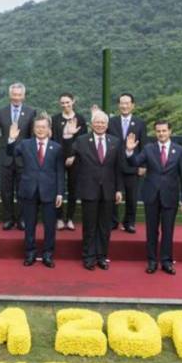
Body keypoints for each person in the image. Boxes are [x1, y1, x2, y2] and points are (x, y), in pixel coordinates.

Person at [125, 121, 182, 275]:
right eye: (158, 131)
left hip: (170, 196)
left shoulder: (180, 151)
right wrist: (129, 150)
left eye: (164, 130)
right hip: (151, 195)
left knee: (168, 230)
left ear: (170, 131)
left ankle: (166, 262)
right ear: (155, 133)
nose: (161, 134)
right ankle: (152, 261)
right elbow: (135, 162)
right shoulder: (149, 149)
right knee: (151, 230)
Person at [64, 110, 124, 271]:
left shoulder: (115, 142)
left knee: (105, 227)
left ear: (107, 124)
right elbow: (68, 155)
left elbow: (118, 167)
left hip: (109, 190)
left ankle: (102, 256)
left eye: (103, 122)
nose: (100, 125)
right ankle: (88, 257)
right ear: (92, 124)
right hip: (89, 189)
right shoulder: (82, 140)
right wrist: (68, 137)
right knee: (89, 226)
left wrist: (119, 189)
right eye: (97, 122)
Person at [7, 114, 64, 268]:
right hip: (29, 190)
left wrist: (60, 192)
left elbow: (60, 171)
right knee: (29, 226)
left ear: (49, 129)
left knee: (49, 226)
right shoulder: (25, 144)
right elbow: (10, 153)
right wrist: (11, 139)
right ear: (33, 129)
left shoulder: (56, 147)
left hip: (50, 191)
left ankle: (48, 255)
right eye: (37, 127)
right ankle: (30, 254)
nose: (40, 129)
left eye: (43, 127)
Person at [0, 82, 36, 231]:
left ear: (23, 96)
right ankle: (8, 219)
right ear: (10, 95)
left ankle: (21, 219)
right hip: (6, 157)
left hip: (23, 158)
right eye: (14, 94)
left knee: (22, 191)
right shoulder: (2, 112)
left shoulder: (31, 112)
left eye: (19, 95)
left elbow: (33, 135)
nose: (16, 97)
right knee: (5, 191)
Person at [107, 93, 147, 233]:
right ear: (118, 105)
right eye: (122, 103)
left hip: (132, 164)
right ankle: (113, 221)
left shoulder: (140, 123)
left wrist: (142, 165)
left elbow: (143, 145)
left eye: (127, 103)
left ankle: (129, 222)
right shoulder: (111, 122)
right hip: (113, 165)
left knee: (132, 196)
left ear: (132, 105)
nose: (124, 106)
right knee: (112, 194)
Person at [51, 93, 87, 231]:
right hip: (58, 158)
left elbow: (82, 140)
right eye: (63, 103)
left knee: (73, 188)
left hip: (75, 159)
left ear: (73, 101)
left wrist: (72, 155)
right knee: (58, 188)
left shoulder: (80, 119)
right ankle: (59, 218)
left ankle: (70, 218)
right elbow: (54, 139)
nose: (65, 105)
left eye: (68, 102)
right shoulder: (55, 119)